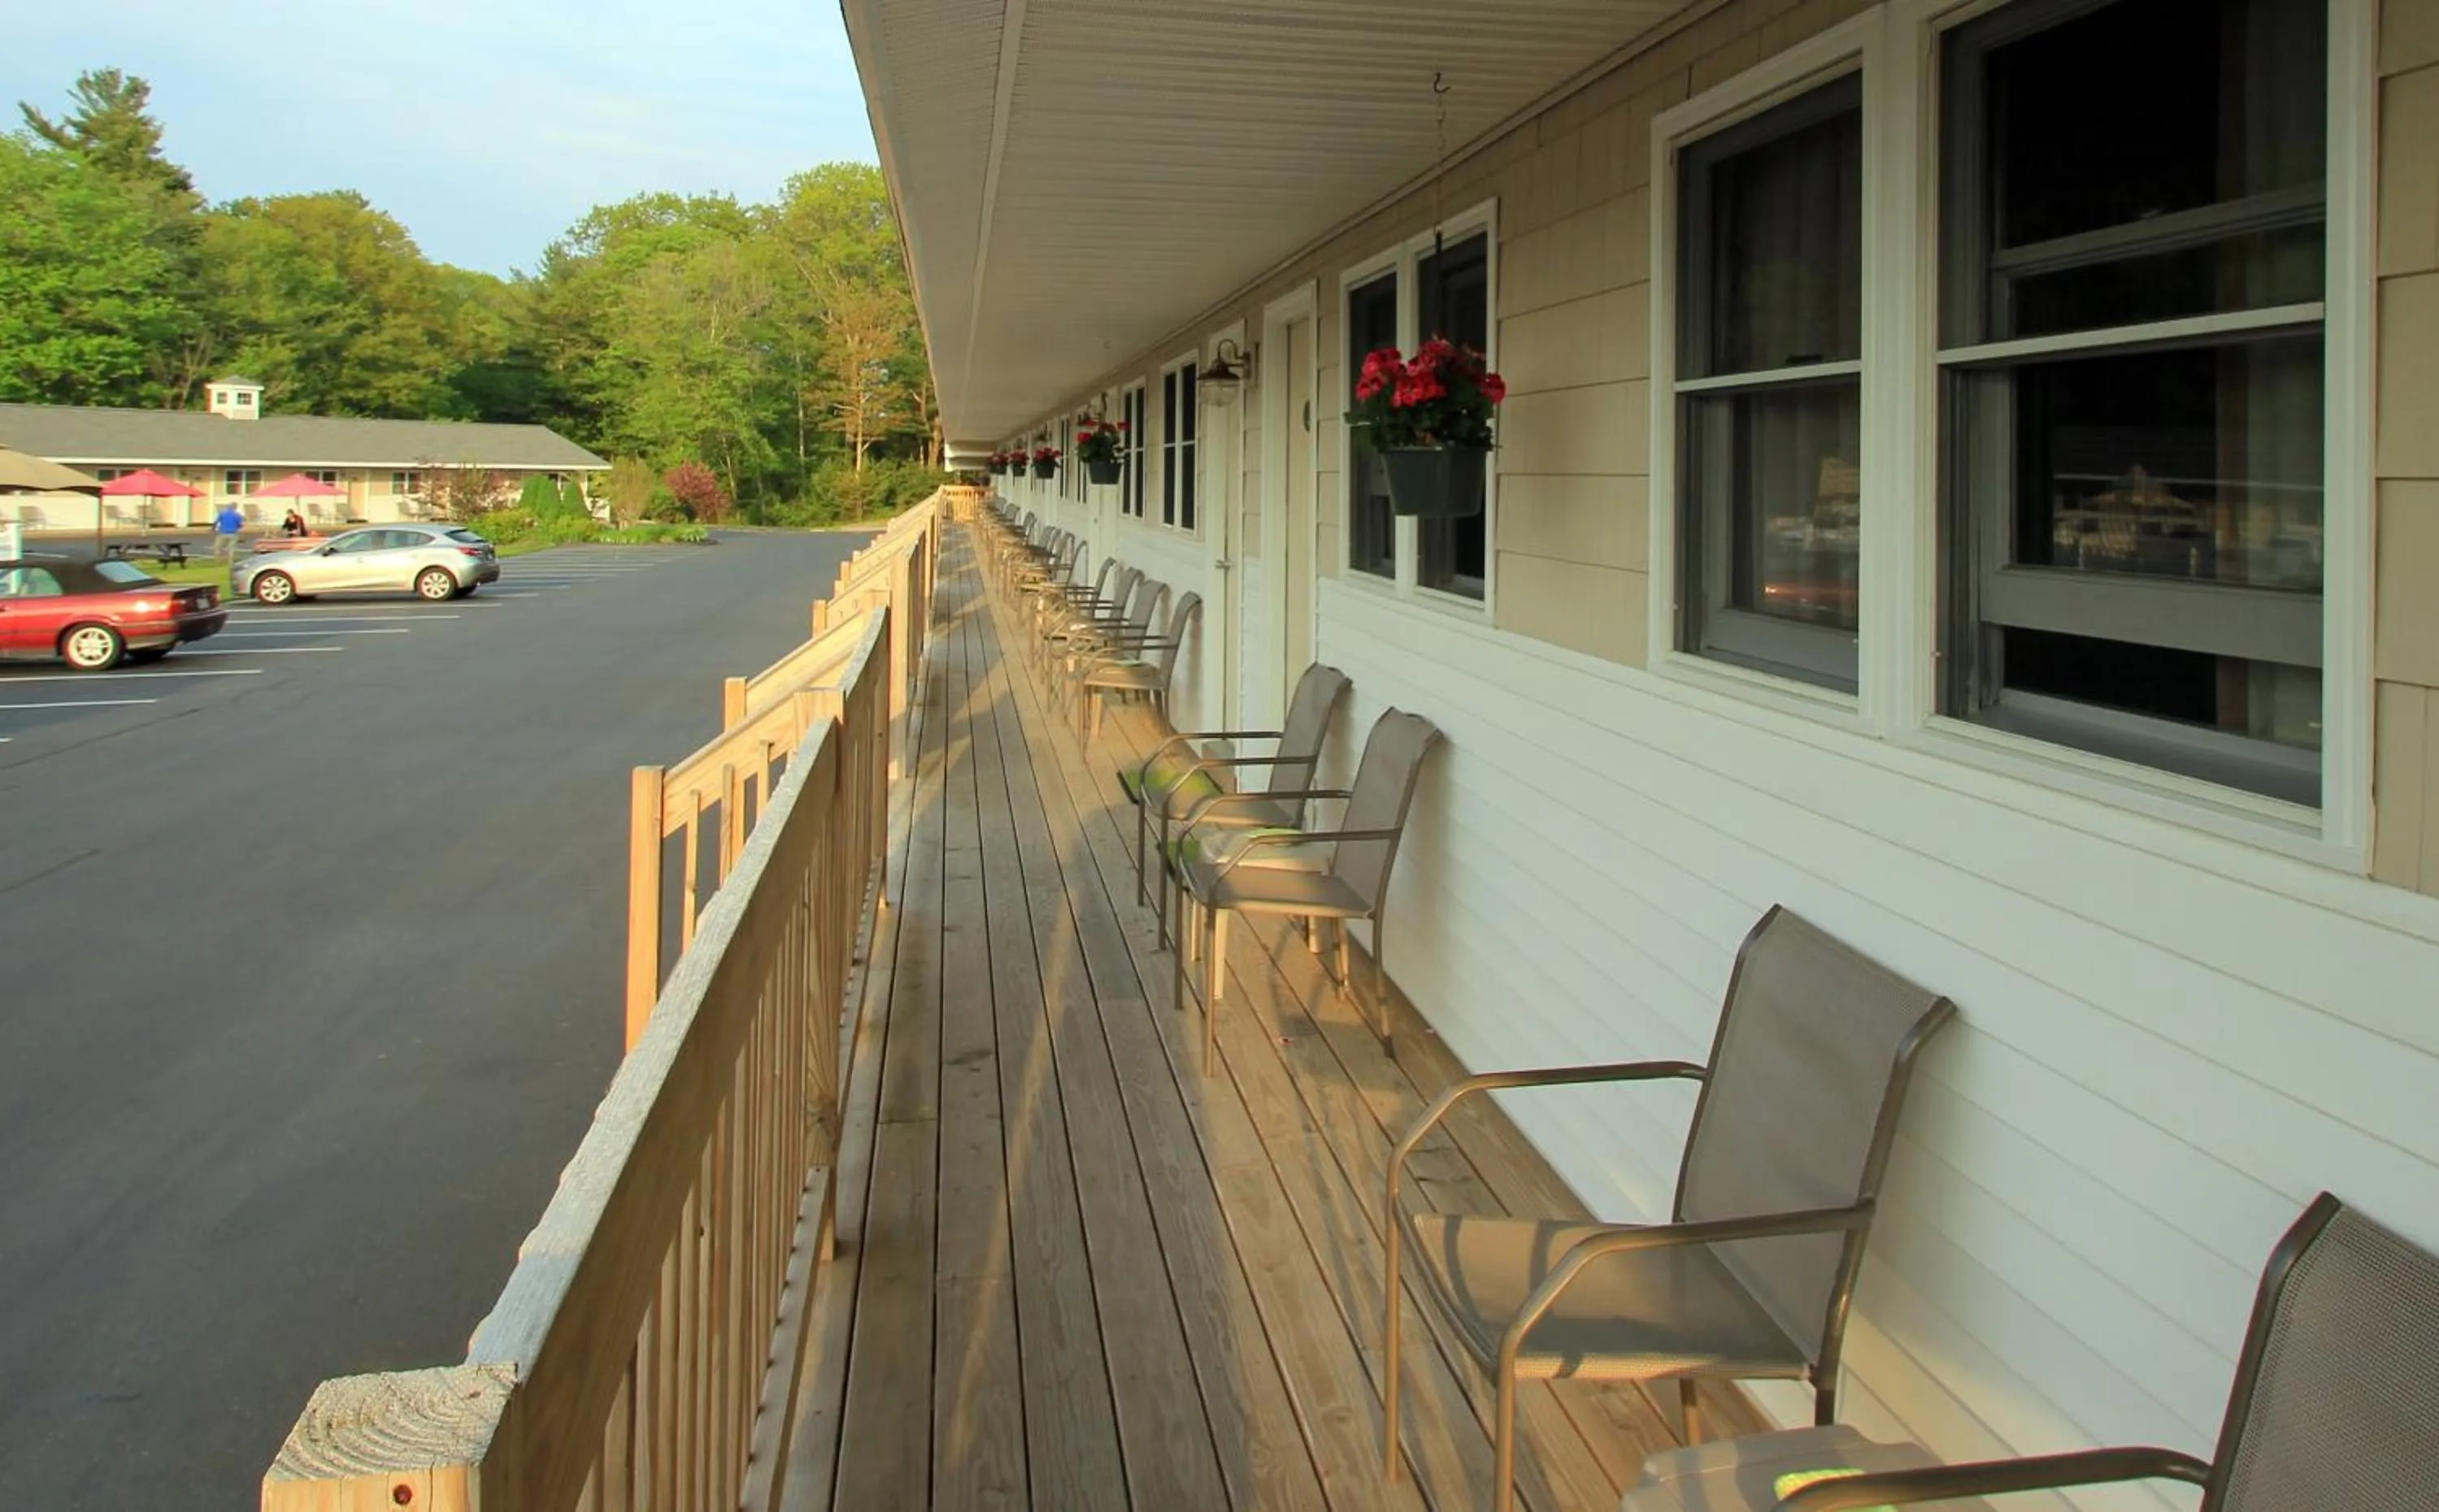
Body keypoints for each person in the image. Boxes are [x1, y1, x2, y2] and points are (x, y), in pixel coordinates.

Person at [212, 500, 246, 567]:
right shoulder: (238, 515)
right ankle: (230, 562)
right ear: (235, 507)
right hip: (233, 533)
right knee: (231, 548)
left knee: (218, 547)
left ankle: (218, 561)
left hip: (223, 533)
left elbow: (217, 522)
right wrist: (236, 527)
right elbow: (241, 525)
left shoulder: (222, 513)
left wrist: (214, 529)